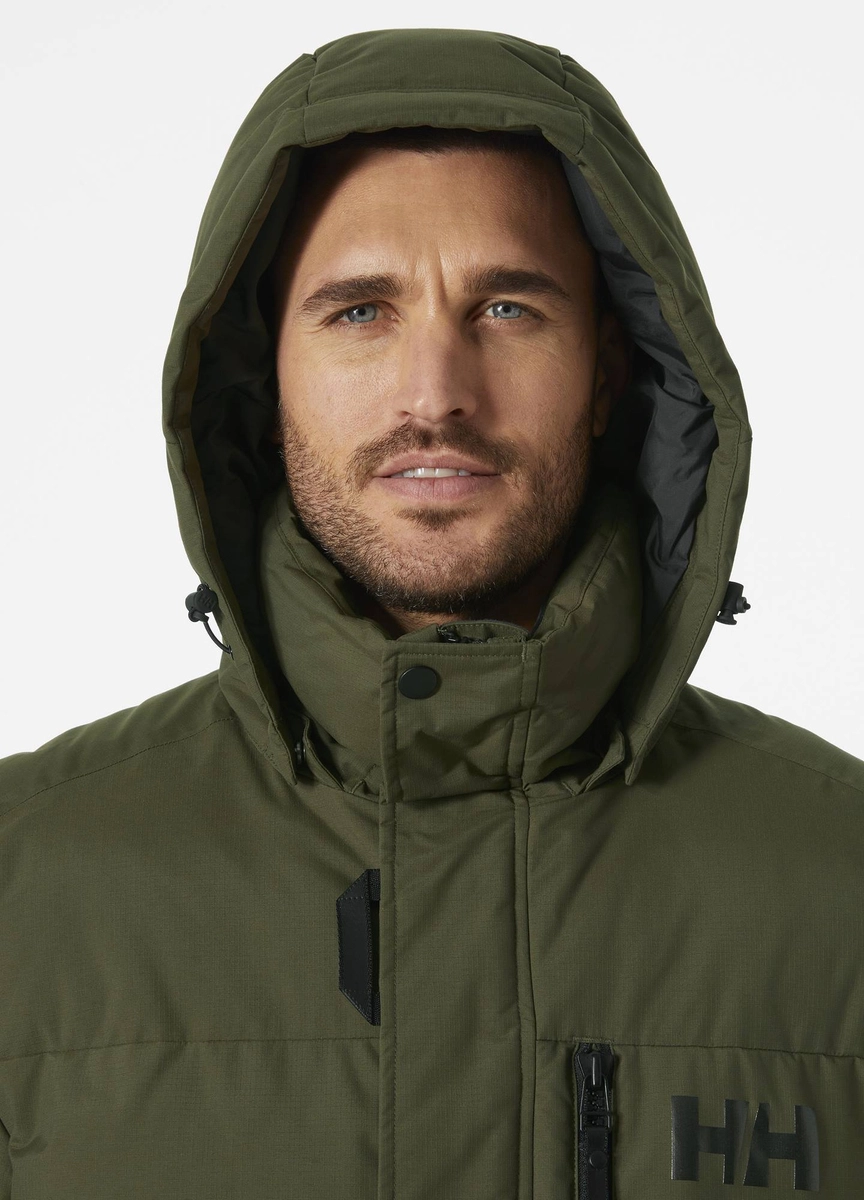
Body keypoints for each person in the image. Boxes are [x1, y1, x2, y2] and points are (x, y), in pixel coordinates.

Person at [1, 26, 861, 1199]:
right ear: (261, 379)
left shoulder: (840, 888)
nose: (436, 395)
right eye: (362, 312)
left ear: (610, 373)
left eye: (506, 308)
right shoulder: (27, 889)